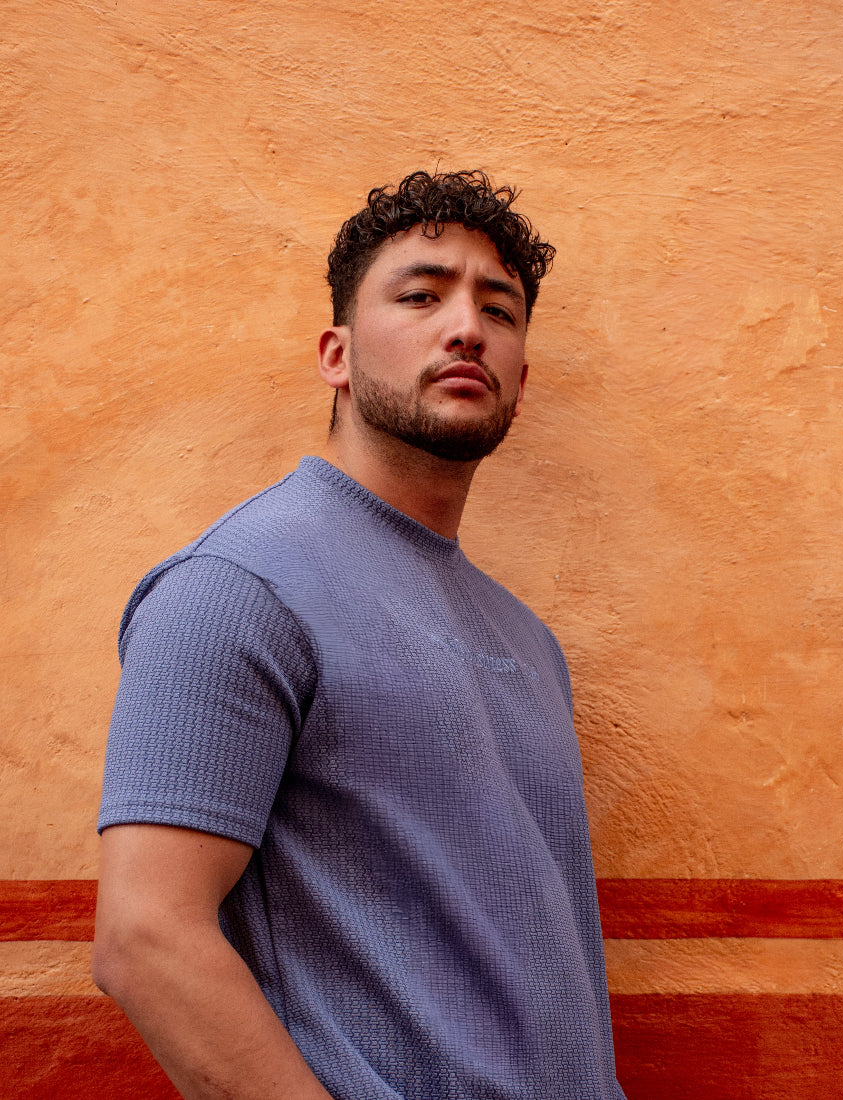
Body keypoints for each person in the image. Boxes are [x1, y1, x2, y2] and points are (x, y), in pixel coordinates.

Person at [93, 170, 625, 1100]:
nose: (466, 327)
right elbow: (146, 938)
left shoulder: (528, 638)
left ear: (521, 381)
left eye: (498, 309)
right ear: (336, 354)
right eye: (421, 295)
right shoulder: (238, 586)